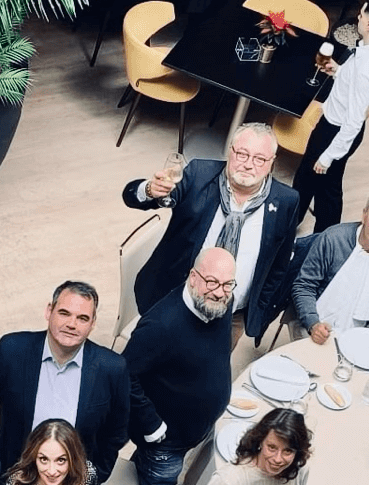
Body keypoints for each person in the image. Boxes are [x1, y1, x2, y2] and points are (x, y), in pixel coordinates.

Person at [118, 247, 239, 485]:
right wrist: (153, 426)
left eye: (228, 284)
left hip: (192, 427)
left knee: (150, 481)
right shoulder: (161, 326)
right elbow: (123, 375)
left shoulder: (217, 305)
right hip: (165, 438)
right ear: (193, 277)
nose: (220, 292)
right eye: (212, 282)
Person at [122, 124, 300, 346]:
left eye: (259, 159)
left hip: (231, 316)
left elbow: (279, 264)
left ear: (271, 162)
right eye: (242, 154)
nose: (248, 164)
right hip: (174, 303)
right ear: (230, 151)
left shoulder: (286, 201)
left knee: (201, 378)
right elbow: (139, 197)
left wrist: (252, 309)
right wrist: (150, 190)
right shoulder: (199, 175)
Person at [0, 280, 130, 484]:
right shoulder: (13, 350)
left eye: (82, 318)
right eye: (64, 313)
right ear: (49, 311)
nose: (72, 324)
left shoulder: (112, 368)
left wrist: (95, 476)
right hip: (14, 474)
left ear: (92, 323)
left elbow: (117, 430)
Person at [292, 0, 369, 233]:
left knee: (310, 179)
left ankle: (295, 227)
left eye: (361, 16)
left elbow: (352, 122)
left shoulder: (364, 71)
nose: (358, 19)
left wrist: (328, 155)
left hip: (335, 130)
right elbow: (368, 89)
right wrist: (340, 72)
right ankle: (324, 232)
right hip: (346, 128)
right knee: (326, 185)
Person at [290, 188, 369, 346]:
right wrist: (313, 324)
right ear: (364, 215)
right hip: (313, 321)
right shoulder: (333, 238)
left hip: (358, 327)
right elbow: (304, 286)